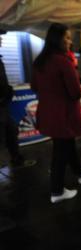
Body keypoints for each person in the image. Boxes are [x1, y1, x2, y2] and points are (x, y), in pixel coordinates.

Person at [31, 23, 81, 204]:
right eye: (66, 37)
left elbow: (34, 86)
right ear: (57, 39)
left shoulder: (40, 61)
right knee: (60, 153)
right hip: (63, 115)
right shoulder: (62, 61)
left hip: (48, 113)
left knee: (67, 144)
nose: (69, 41)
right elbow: (76, 92)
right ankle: (57, 191)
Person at [0, 29, 34, 168]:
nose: (1, 40)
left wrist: (8, 92)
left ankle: (17, 160)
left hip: (3, 106)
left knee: (12, 131)